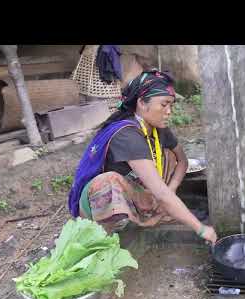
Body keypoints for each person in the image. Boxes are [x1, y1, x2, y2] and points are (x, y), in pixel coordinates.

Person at [68, 70, 217, 245]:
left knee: (168, 155)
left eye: (171, 105)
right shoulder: (127, 135)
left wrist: (172, 189)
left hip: (140, 194)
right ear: (142, 103)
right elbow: (160, 193)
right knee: (107, 183)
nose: (169, 111)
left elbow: (182, 161)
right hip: (98, 204)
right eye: (164, 104)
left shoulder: (157, 128)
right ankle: (102, 241)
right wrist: (200, 228)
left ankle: (147, 212)